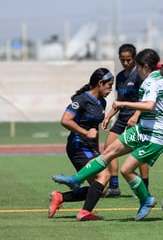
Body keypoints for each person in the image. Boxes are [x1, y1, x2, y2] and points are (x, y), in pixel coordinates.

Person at [52, 48, 163, 221]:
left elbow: (149, 106)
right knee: (109, 152)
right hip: (143, 129)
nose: (135, 70)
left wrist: (122, 104)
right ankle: (75, 179)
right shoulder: (162, 79)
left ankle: (146, 200)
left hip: (156, 136)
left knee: (126, 169)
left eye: (137, 66)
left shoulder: (151, 82)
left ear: (145, 66)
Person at [48, 68, 114, 221]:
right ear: (100, 83)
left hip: (90, 148)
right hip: (78, 146)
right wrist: (85, 133)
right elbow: (65, 120)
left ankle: (59, 197)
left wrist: (97, 151)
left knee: (101, 189)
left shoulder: (102, 102)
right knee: (104, 175)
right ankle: (84, 212)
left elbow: (94, 129)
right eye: (109, 85)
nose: (111, 89)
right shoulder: (82, 99)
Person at [102, 43, 150, 198]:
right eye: (123, 60)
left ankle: (144, 187)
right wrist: (108, 115)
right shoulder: (120, 77)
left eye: (129, 60)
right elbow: (119, 100)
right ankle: (114, 186)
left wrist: (136, 116)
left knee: (139, 152)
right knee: (108, 148)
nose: (126, 63)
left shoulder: (139, 75)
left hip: (137, 117)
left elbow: (145, 101)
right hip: (122, 118)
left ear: (134, 59)